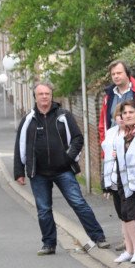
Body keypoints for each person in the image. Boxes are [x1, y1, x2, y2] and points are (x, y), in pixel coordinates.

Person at [14, 82, 109, 255]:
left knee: (78, 203)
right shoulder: (28, 120)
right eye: (41, 94)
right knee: (43, 210)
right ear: (35, 97)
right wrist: (19, 172)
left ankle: (98, 237)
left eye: (47, 93)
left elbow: (78, 138)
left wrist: (68, 157)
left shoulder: (63, 116)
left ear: (51, 95)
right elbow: (20, 146)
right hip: (38, 173)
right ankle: (49, 244)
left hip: (63, 171)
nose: (44, 96)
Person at [102, 101, 135, 264]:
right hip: (126, 185)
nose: (128, 115)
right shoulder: (121, 137)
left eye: (131, 112)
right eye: (125, 113)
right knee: (132, 218)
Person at [97, 60, 135, 147]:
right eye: (113, 74)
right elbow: (102, 126)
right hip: (114, 148)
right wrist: (105, 146)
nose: (116, 76)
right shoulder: (108, 97)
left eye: (119, 73)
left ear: (127, 73)